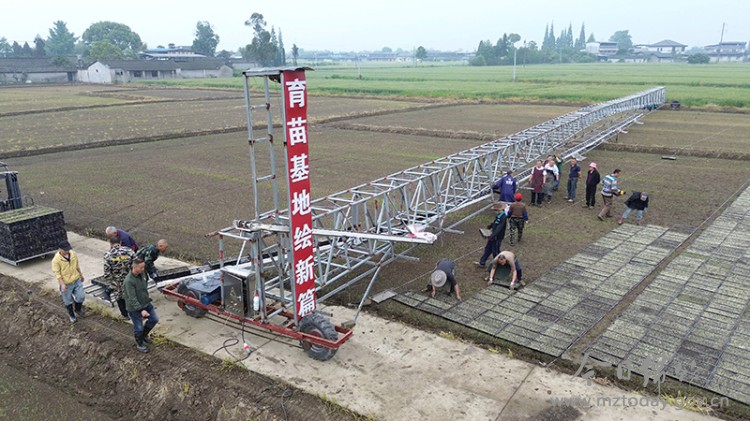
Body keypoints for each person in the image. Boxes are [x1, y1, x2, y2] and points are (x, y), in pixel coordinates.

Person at [123, 257, 159, 353]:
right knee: (138, 328)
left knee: (154, 319)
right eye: (141, 267)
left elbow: (144, 286)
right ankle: (140, 344)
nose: (143, 269)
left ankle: (144, 335)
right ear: (134, 267)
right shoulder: (129, 281)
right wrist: (141, 310)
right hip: (134, 308)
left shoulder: (143, 274)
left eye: (144, 267)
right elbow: (132, 298)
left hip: (146, 303)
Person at [52, 240, 86, 323]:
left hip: (76, 280)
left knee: (81, 296)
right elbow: (58, 274)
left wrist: (81, 274)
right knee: (68, 301)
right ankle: (72, 315)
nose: (67, 251)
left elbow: (77, 265)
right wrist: (62, 284)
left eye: (68, 249)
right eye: (65, 249)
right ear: (60, 249)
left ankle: (78, 310)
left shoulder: (73, 254)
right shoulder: (56, 260)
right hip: (66, 284)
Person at [103, 237, 136, 319]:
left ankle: (125, 315)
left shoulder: (108, 255)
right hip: (130, 279)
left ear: (110, 243)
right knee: (132, 295)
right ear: (120, 242)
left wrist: (111, 283)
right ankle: (136, 313)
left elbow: (107, 272)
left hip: (117, 282)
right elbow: (136, 264)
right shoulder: (129, 251)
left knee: (119, 297)